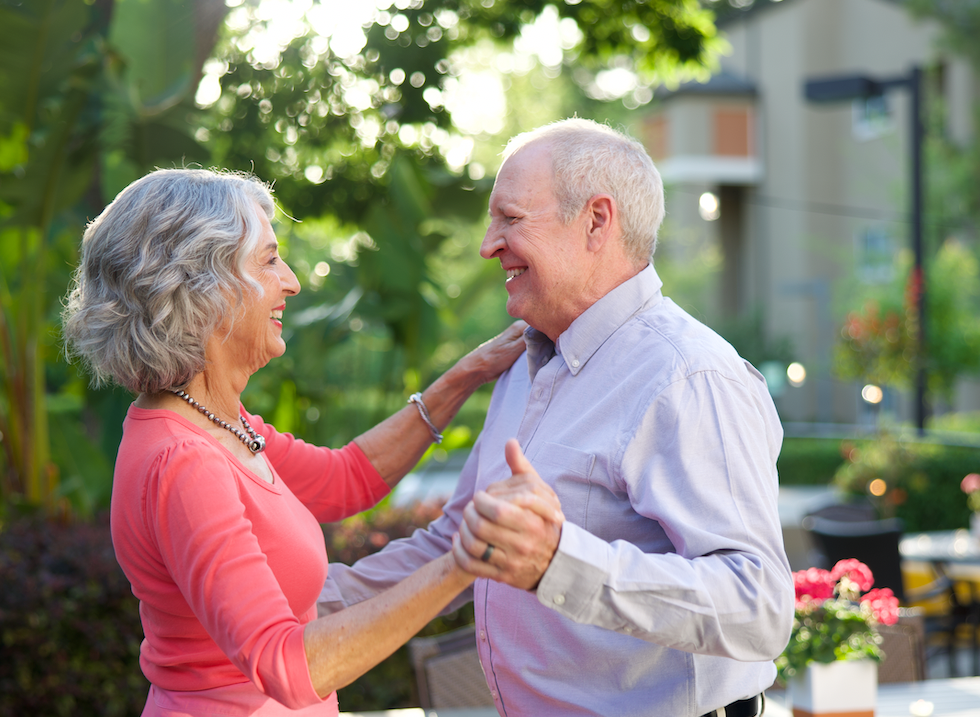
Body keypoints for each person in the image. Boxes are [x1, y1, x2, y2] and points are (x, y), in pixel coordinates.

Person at [319, 119, 792, 717]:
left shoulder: (688, 376)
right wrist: (297, 606)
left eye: (510, 219)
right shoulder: (523, 363)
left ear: (597, 220)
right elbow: (461, 542)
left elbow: (759, 607)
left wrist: (558, 562)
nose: (489, 245)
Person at [60, 168, 538, 716]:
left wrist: (467, 373)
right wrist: (468, 560)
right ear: (203, 289)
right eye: (268, 260)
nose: (292, 281)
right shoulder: (185, 461)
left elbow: (346, 479)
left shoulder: (218, 422)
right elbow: (287, 667)